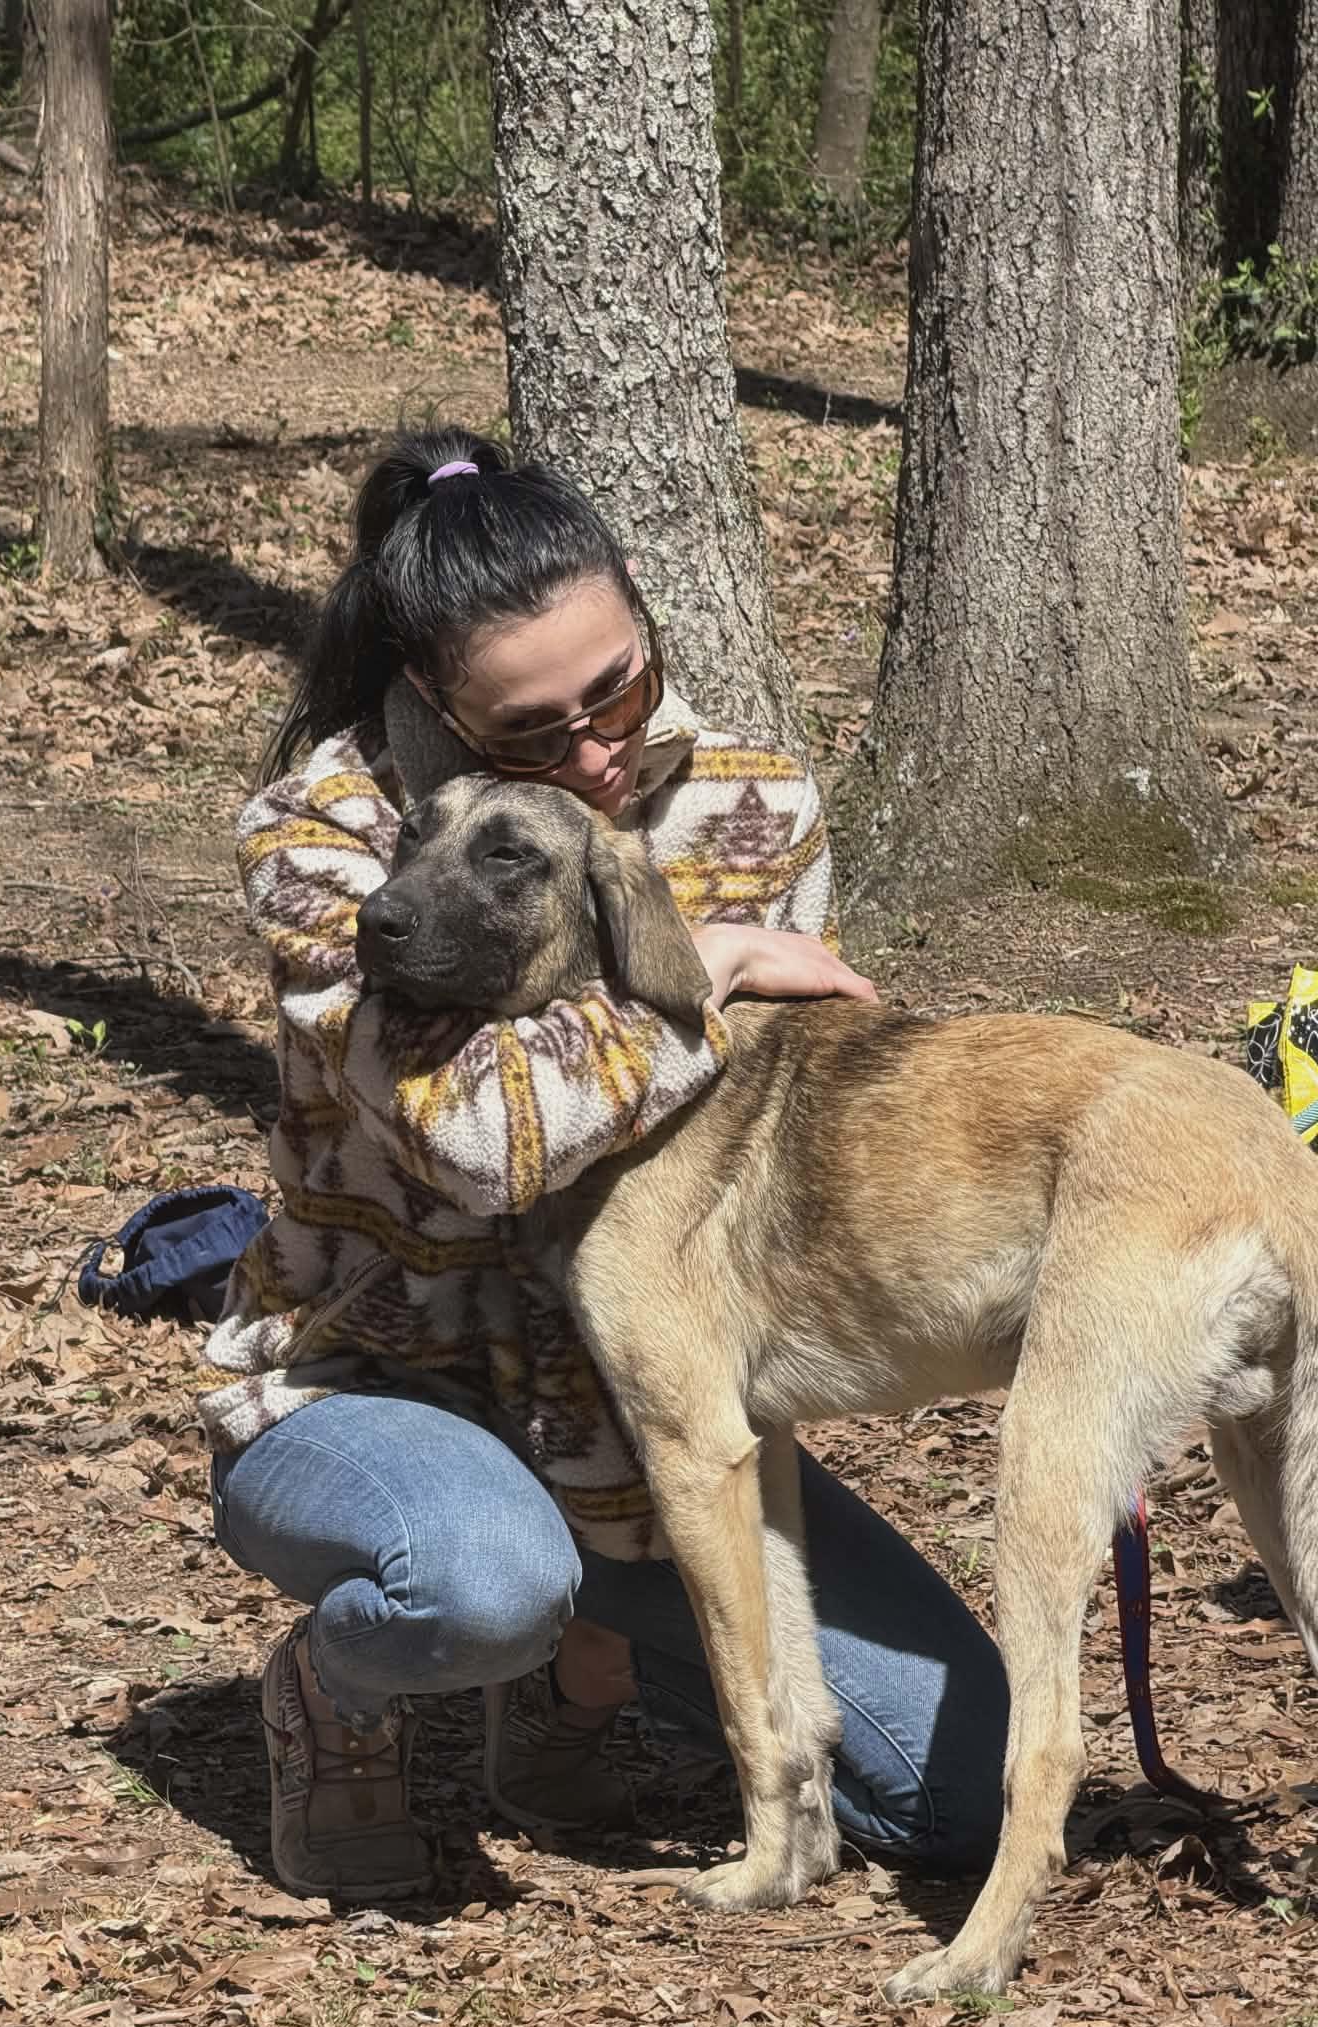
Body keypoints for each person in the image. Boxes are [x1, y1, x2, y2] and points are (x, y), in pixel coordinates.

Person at [200, 425, 1008, 1902]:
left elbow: (771, 1136)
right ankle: (343, 1686)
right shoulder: (328, 836)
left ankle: (583, 1670)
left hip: (646, 1433)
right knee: (483, 1580)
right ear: (435, 699)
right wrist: (713, 967)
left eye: (617, 689)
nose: (593, 751)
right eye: (529, 732)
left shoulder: (752, 805)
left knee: (962, 1789)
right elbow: (477, 1137)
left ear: (643, 615)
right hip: (370, 1384)